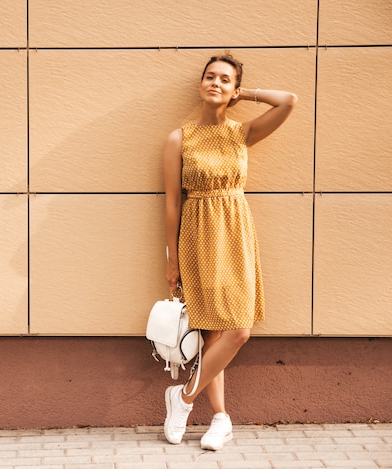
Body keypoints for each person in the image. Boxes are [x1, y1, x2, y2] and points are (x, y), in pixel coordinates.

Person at [162, 54, 297, 450]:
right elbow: (171, 203)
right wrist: (172, 259)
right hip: (198, 231)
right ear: (200, 84)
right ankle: (221, 418)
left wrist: (247, 94)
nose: (215, 83)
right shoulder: (179, 138)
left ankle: (183, 398)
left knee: (238, 330)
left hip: (235, 230)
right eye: (210, 77)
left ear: (234, 88)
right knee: (213, 331)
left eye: (225, 79)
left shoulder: (242, 133)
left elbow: (288, 100)